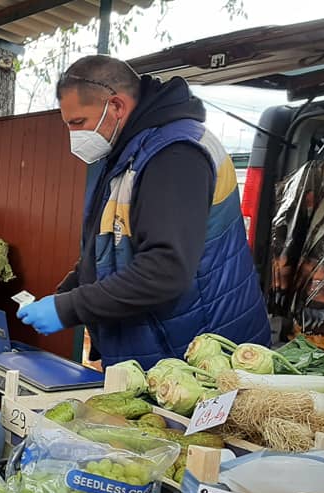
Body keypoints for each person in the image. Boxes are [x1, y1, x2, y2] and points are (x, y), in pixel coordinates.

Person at [17, 55, 270, 369]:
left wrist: (69, 307)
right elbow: (111, 245)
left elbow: (164, 270)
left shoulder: (175, 156)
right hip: (163, 348)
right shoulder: (130, 153)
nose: (74, 136)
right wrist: (67, 292)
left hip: (201, 360)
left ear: (117, 106)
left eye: (78, 123)